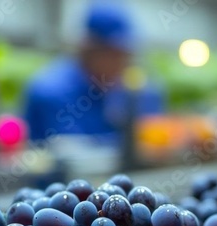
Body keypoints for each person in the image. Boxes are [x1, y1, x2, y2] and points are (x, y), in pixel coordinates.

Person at [23, 2, 163, 144]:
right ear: (90, 49)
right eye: (115, 55)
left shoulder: (121, 87)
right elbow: (72, 153)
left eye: (126, 56)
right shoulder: (51, 91)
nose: (122, 64)